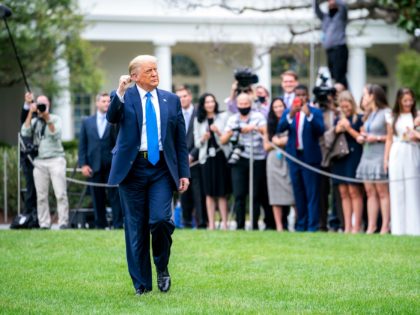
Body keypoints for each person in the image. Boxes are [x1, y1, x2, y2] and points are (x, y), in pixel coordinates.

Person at [107, 55, 189, 295]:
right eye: (149, 71)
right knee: (135, 228)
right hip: (132, 170)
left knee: (161, 220)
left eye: (156, 70)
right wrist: (120, 91)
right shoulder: (124, 97)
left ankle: (162, 266)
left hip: (161, 169)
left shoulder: (171, 100)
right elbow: (112, 117)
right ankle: (141, 284)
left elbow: (179, 140)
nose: (155, 74)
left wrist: (183, 172)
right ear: (134, 76)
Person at [221, 93, 274, 230]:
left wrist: (253, 128)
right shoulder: (233, 119)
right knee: (239, 194)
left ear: (250, 104)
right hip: (239, 158)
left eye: (246, 104)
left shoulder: (258, 116)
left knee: (255, 194)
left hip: (257, 159)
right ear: (237, 105)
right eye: (241, 104)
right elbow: (223, 140)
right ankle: (240, 225)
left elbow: (265, 130)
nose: (244, 106)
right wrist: (234, 131)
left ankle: (255, 225)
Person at [277, 84, 325, 232]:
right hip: (294, 158)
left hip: (310, 158)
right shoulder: (289, 112)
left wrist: (309, 115)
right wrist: (290, 115)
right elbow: (280, 129)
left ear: (307, 96)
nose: (300, 98)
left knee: (312, 193)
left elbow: (320, 130)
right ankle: (301, 224)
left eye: (303, 95)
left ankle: (312, 226)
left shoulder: (315, 112)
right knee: (298, 192)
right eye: (297, 95)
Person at [21, 95, 69, 229]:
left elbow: (56, 134)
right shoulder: (35, 121)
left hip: (56, 159)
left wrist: (47, 117)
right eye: (39, 104)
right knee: (41, 196)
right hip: (39, 162)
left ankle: (63, 222)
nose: (41, 106)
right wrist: (31, 112)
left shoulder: (55, 118)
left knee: (60, 193)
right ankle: (44, 223)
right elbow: (24, 131)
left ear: (48, 104)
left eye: (44, 103)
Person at [78, 92, 123, 229]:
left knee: (115, 196)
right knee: (97, 197)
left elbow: (119, 143)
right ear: (97, 103)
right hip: (94, 166)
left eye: (108, 101)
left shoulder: (115, 121)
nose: (106, 104)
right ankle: (100, 225)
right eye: (103, 101)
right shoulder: (87, 122)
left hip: (112, 165)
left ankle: (118, 224)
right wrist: (83, 164)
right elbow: (83, 145)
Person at [355, 84, 391, 234]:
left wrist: (376, 138)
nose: (363, 97)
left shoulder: (386, 112)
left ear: (373, 96)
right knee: (369, 192)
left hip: (379, 154)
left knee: (382, 192)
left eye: (365, 94)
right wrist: (362, 137)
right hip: (367, 154)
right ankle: (371, 226)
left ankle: (385, 226)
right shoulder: (368, 114)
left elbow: (391, 136)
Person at [384, 88, 420, 236]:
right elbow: (389, 138)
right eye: (405, 101)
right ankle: (398, 229)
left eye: (410, 100)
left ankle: (414, 228)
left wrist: (415, 133)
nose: (408, 103)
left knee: (412, 188)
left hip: (412, 149)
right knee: (397, 188)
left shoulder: (417, 116)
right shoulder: (392, 116)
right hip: (397, 151)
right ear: (399, 100)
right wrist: (385, 159)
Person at [194, 93, 231, 230]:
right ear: (203, 105)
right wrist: (203, 138)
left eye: (212, 101)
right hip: (206, 159)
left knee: (221, 192)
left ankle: (225, 224)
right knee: (209, 193)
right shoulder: (198, 120)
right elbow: (197, 143)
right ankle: (211, 224)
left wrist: (218, 132)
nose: (210, 104)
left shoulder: (223, 117)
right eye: (207, 102)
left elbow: (228, 138)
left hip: (221, 157)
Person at [331, 91, 364, 233]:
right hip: (340, 158)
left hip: (354, 155)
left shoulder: (359, 118)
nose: (345, 109)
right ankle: (347, 226)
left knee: (353, 190)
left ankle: (356, 226)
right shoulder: (337, 119)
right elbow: (330, 139)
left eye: (348, 106)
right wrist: (337, 130)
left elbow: (361, 138)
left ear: (352, 104)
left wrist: (349, 128)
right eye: (343, 107)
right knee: (343, 192)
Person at [175, 85, 207, 229]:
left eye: (185, 96)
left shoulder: (198, 113)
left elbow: (202, 136)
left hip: (197, 159)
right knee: (184, 192)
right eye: (179, 97)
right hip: (180, 161)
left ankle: (201, 223)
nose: (182, 99)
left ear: (190, 97)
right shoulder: (174, 113)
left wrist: (192, 155)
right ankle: (186, 222)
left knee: (198, 192)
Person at [263, 97, 295, 232]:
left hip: (289, 158)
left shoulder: (291, 121)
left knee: (292, 192)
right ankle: (279, 226)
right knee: (275, 194)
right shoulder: (268, 124)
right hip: (273, 160)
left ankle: (296, 224)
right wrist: (276, 143)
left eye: (280, 106)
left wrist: (284, 141)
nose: (278, 109)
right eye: (275, 107)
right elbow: (266, 146)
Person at [315, 0, 348, 87]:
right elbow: (316, 9)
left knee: (340, 75)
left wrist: (336, 1)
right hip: (329, 50)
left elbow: (344, 5)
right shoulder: (325, 17)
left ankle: (344, 93)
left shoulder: (341, 15)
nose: (330, 3)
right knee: (332, 74)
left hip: (339, 48)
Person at [18, 92, 38, 228]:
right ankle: (29, 215)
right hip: (28, 158)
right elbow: (24, 124)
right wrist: (28, 105)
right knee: (31, 187)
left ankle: (39, 216)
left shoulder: (44, 116)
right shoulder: (29, 116)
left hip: (42, 157)